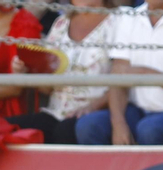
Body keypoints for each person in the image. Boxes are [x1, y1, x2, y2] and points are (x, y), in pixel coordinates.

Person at [76, 0, 163, 146]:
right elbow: (117, 79)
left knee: (148, 130)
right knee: (88, 126)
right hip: (137, 109)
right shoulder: (131, 17)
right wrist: (118, 124)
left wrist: (142, 73)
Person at [11, 0, 117, 145]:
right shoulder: (61, 23)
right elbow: (47, 88)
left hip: (96, 115)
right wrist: (26, 71)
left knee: (64, 131)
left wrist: (93, 106)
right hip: (54, 114)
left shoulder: (120, 21)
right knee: (3, 127)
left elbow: (129, 78)